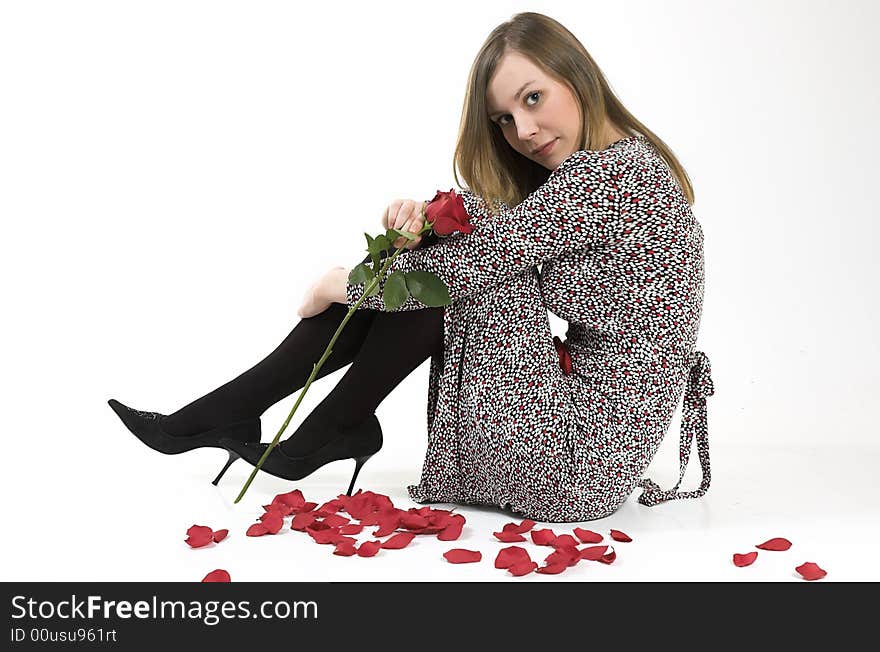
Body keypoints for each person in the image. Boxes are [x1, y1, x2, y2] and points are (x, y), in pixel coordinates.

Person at [108, 11, 713, 522]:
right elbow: (504, 226)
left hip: (580, 459)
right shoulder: (623, 166)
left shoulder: (613, 175)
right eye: (505, 118)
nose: (523, 130)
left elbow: (487, 256)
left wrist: (341, 283)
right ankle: (302, 421)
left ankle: (277, 418)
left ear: (576, 75)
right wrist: (426, 215)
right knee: (456, 258)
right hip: (595, 443)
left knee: (467, 275)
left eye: (534, 98)